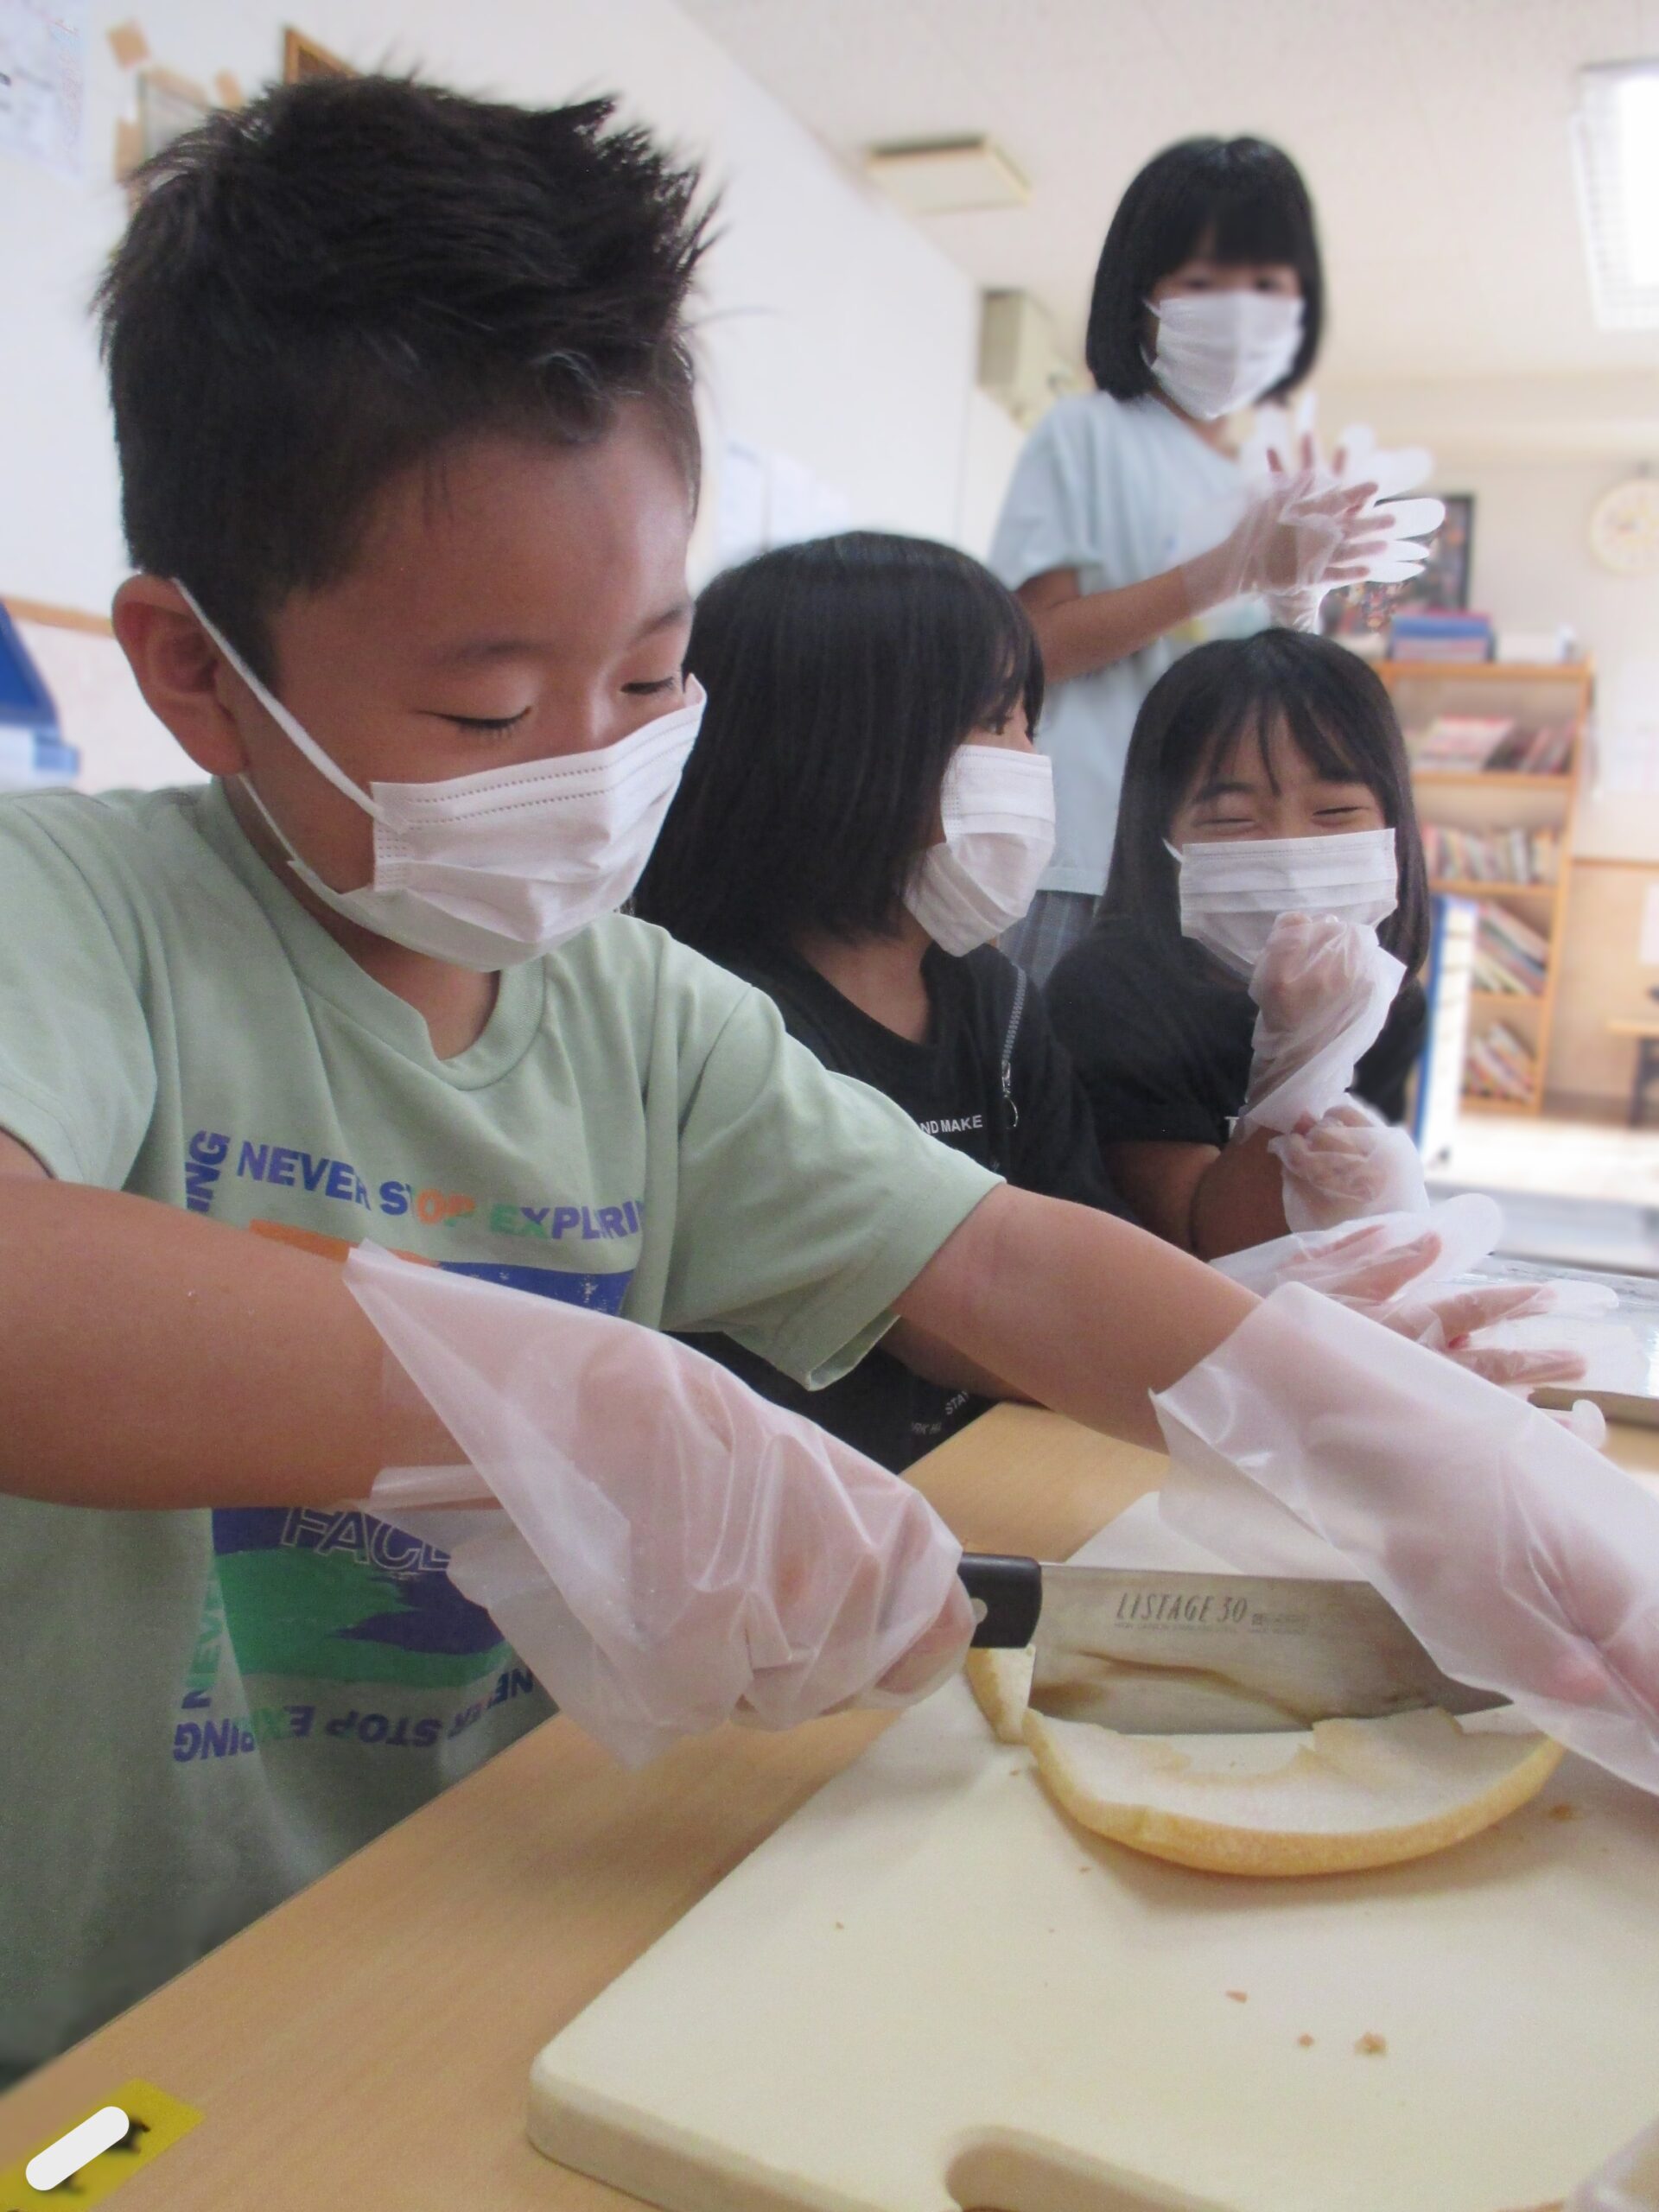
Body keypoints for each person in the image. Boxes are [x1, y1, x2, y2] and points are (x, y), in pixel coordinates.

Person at [3, 76, 1653, 2085]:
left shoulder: (640, 1015)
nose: (592, 759)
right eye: (488, 706)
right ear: (195, 670)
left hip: (497, 1912)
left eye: (647, 675)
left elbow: (1008, 1261)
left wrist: (1407, 1455)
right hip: (103, 2040)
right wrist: (564, 1406)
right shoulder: (71, 912)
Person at [634, 531, 1123, 1470]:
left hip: (989, 1488)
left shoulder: (994, 1002)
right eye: (992, 724)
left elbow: (1089, 1244)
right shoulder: (711, 1015)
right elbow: (978, 1316)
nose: (1026, 762)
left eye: (1029, 724)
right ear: (835, 748)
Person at [988, 136, 1382, 984]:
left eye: (1267, 285)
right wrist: (1229, 568)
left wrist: (1297, 604)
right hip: (1082, 863)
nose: (1238, 312)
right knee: (1045, 1066)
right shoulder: (1087, 434)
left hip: (1217, 880)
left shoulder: (1256, 476)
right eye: (1203, 284)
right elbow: (1029, 651)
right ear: (1139, 295)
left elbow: (1259, 699)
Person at [1046, 629, 1429, 1258]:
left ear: (1395, 825)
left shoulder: (1390, 996)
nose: (1289, 851)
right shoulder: (1108, 994)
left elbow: (1364, 1234)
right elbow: (1203, 1250)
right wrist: (1301, 1062)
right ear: (1160, 840)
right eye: (1231, 820)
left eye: (1334, 813)